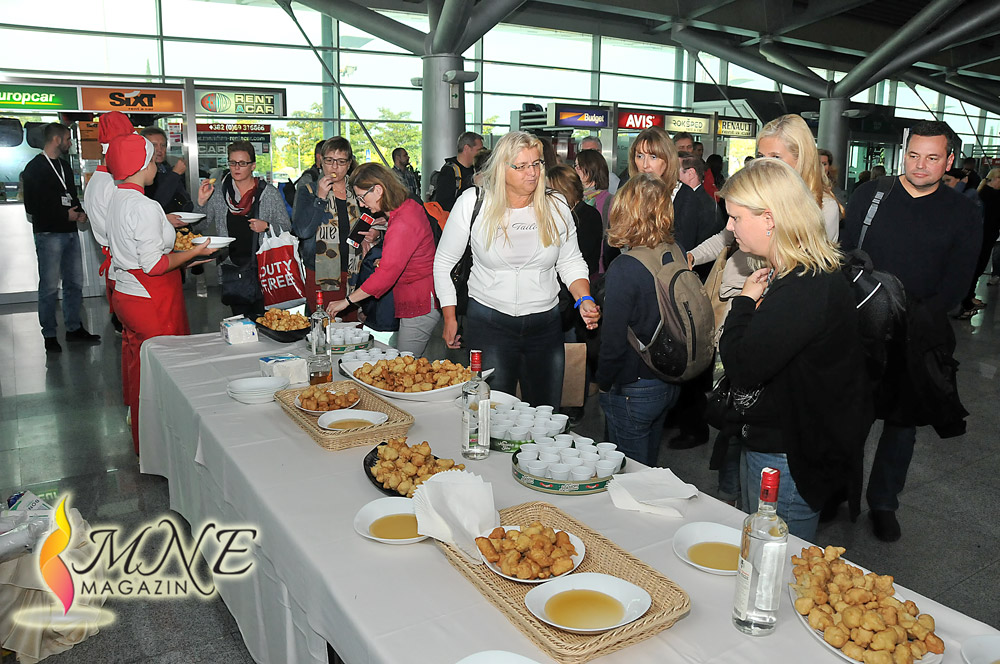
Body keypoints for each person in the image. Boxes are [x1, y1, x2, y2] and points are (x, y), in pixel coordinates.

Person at [717, 157, 872, 541]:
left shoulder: (803, 286)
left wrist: (743, 303)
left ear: (769, 219)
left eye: (736, 217)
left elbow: (742, 365)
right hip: (785, 441)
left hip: (787, 456)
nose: (729, 227)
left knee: (773, 558)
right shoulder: (803, 272)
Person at [841, 120, 981, 541]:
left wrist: (918, 318)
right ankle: (836, 490)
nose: (921, 165)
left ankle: (884, 502)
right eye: (914, 155)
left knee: (902, 425)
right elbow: (846, 257)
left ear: (950, 161)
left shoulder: (963, 212)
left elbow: (959, 281)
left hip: (917, 333)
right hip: (860, 328)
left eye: (932, 157)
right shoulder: (871, 195)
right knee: (849, 415)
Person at [433, 131, 599, 407]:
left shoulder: (556, 204)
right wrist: (450, 316)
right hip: (489, 323)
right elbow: (443, 262)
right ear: (501, 168)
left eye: (536, 164)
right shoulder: (474, 202)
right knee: (492, 411)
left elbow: (570, 261)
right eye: (521, 166)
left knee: (545, 413)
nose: (532, 173)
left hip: (545, 325)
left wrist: (585, 299)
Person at [105, 133, 216, 453]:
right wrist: (194, 253)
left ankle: (145, 442)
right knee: (164, 373)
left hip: (128, 292)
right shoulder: (145, 205)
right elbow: (154, 265)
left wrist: (179, 246)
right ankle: (164, 448)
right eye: (152, 158)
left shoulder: (117, 197)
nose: (157, 163)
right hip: (153, 298)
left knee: (141, 369)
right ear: (142, 165)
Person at [597, 175, 684, 465]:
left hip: (632, 385)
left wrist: (604, 383)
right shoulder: (676, 251)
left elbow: (612, 341)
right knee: (647, 466)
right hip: (667, 379)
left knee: (628, 473)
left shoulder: (625, 267)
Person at [325, 163, 439, 356]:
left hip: (420, 301)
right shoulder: (407, 205)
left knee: (405, 364)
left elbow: (386, 275)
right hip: (420, 296)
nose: (362, 204)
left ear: (378, 190)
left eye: (362, 197)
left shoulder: (402, 221)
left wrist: (347, 301)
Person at [22, 122, 100, 352]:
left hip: (69, 233)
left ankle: (74, 328)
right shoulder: (34, 168)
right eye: (67, 138)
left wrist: (80, 212)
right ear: (56, 139)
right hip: (48, 234)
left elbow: (70, 196)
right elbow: (32, 206)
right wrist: (64, 214)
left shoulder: (64, 166)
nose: (70, 142)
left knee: (74, 283)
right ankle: (49, 334)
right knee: (48, 287)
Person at [196, 140, 291, 318]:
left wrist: (267, 226)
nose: (236, 167)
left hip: (266, 270)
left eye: (242, 163)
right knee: (240, 324)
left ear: (253, 166)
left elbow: (287, 228)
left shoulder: (268, 193)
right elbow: (199, 226)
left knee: (267, 322)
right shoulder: (219, 193)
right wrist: (201, 203)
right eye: (232, 162)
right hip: (233, 270)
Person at [292, 136, 366, 314]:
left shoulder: (359, 191)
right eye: (329, 160)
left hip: (355, 272)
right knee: (323, 322)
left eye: (341, 161)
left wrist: (374, 234)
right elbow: (303, 231)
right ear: (321, 161)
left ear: (349, 164)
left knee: (352, 327)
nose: (334, 167)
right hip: (320, 272)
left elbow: (372, 221)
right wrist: (320, 198)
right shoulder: (308, 191)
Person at [86, 111, 135, 335]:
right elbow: (127, 230)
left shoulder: (99, 180)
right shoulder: (113, 185)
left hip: (116, 267)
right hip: (125, 269)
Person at [139, 126, 192, 221]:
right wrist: (175, 175)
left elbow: (185, 201)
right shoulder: (139, 174)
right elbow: (155, 204)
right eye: (153, 145)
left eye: (163, 145)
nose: (159, 149)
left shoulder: (168, 169)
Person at [433, 131, 483, 211]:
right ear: (466, 148)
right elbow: (443, 205)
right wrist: (472, 182)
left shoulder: (476, 169)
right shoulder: (449, 171)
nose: (481, 154)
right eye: (479, 150)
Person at [673, 131, 716, 199]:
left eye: (689, 147)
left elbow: (710, 192)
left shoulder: (704, 168)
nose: (686, 150)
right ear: (673, 148)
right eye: (681, 147)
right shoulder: (667, 168)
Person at [980, 169, 1000, 286]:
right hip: (986, 232)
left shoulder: (984, 192)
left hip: (990, 232)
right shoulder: (987, 194)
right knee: (981, 260)